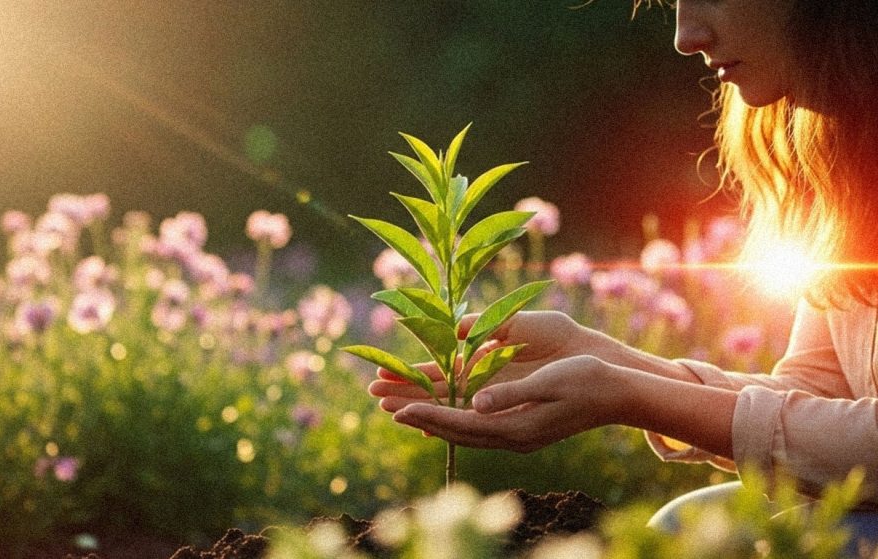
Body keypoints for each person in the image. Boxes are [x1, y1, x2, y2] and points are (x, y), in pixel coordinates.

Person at [368, 0, 878, 550]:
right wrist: (606, 359)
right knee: (682, 527)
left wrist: (631, 395)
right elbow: (818, 393)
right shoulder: (845, 173)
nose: (685, 35)